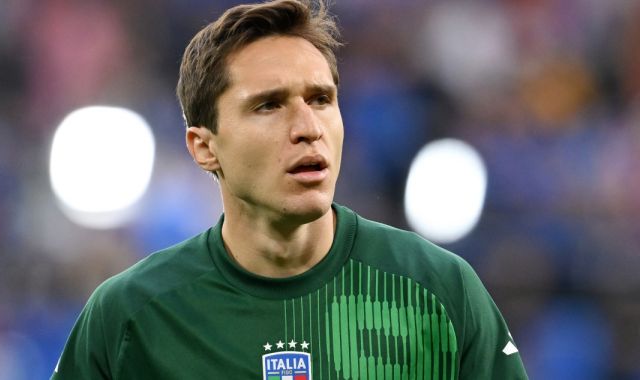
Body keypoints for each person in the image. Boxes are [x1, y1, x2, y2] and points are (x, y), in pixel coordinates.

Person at [51, 1, 528, 379]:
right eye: (268, 106)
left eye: (321, 100)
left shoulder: (438, 289)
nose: (307, 127)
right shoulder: (130, 317)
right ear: (204, 147)